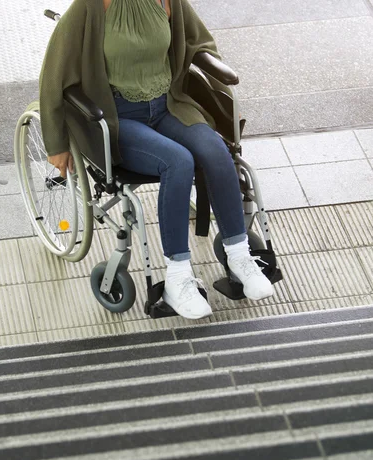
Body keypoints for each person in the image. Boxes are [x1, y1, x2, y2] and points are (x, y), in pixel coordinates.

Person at [40, 0, 274, 320]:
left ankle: (238, 256)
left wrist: (223, 94)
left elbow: (199, 42)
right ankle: (178, 280)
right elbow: (54, 75)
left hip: (168, 105)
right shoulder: (91, 7)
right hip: (118, 119)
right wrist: (56, 142)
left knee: (217, 152)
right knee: (178, 162)